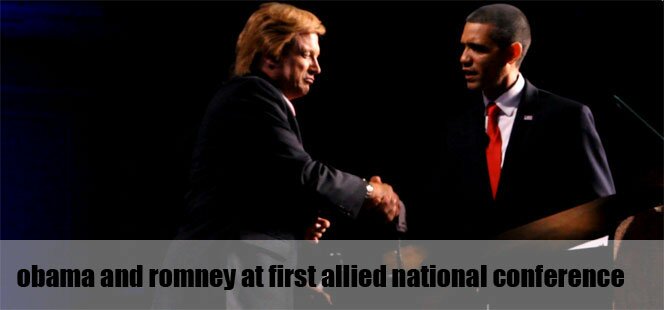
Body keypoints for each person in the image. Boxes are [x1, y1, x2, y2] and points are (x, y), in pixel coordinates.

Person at [173, 3, 401, 308]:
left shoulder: (258, 102)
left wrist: (298, 224)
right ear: (270, 57)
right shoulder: (250, 96)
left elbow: (259, 187)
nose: (317, 68)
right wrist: (371, 192)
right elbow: (302, 174)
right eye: (307, 55)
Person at [439, 3, 616, 238]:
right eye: (463, 47)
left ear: (513, 53)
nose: (464, 58)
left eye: (478, 48)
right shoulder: (457, 126)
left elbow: (601, 213)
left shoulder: (567, 118)